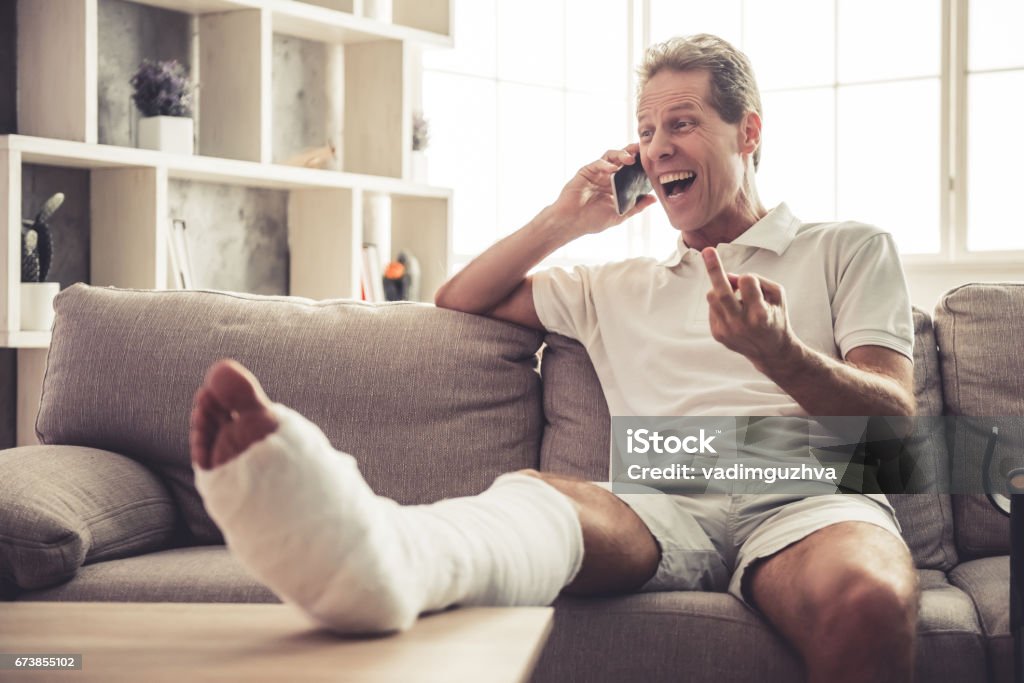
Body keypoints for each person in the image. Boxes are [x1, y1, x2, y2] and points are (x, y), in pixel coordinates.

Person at [190, 34, 919, 683]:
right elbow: (460, 296)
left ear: (748, 131)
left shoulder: (848, 248)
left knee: (872, 601)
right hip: (661, 505)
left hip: (813, 500)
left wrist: (780, 353)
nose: (657, 145)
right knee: (540, 501)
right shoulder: (615, 286)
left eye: (682, 122)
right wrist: (566, 219)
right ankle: (381, 560)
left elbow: (894, 428)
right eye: (645, 130)